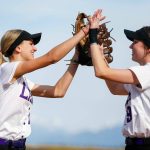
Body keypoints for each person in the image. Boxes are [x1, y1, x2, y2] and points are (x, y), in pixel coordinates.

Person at [0, 14, 94, 149]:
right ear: (18, 48)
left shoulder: (23, 81)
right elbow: (51, 58)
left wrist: (76, 58)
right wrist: (83, 32)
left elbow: (58, 91)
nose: (35, 48)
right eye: (31, 44)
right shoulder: (7, 70)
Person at [88, 10, 150, 150]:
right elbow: (115, 88)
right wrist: (101, 57)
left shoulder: (146, 72)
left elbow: (101, 72)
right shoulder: (142, 75)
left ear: (148, 48)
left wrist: (92, 36)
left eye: (135, 42)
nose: (130, 46)